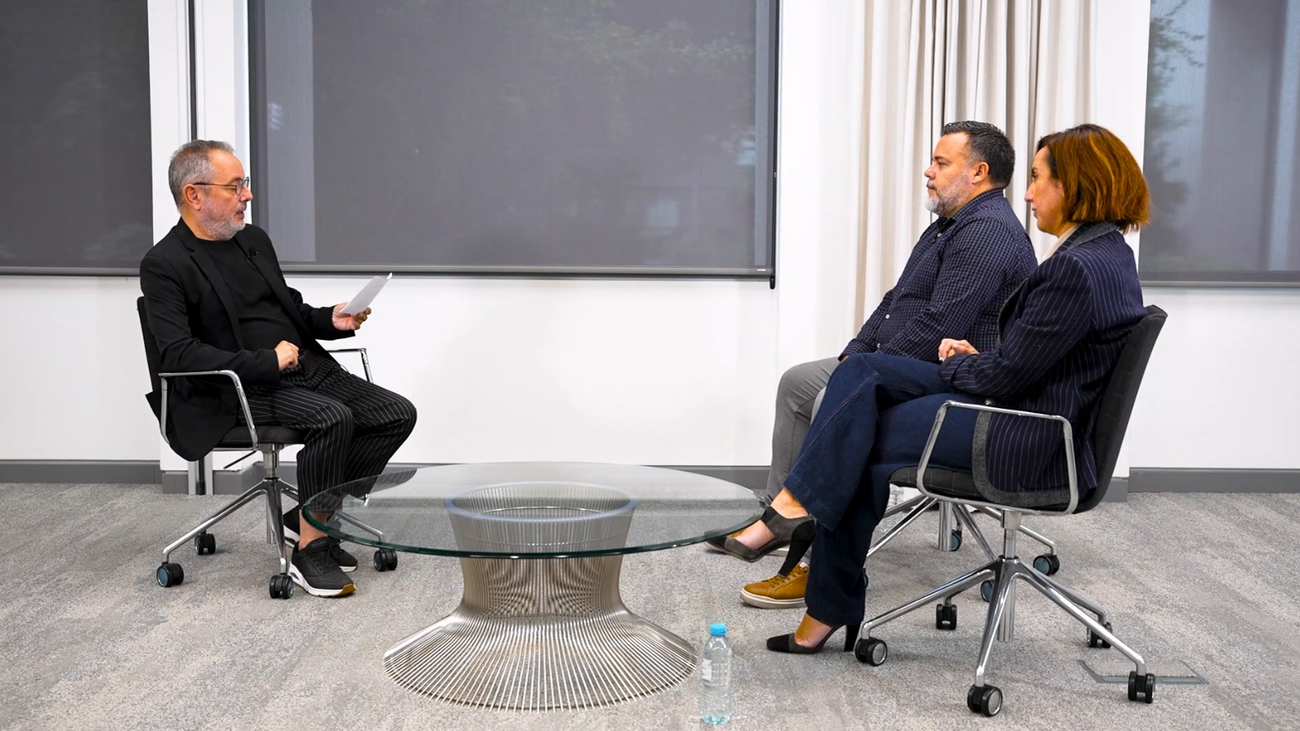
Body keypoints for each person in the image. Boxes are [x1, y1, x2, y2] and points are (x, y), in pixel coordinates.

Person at [762, 123, 1150, 654]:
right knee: (863, 382)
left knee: (861, 432)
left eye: (1038, 179)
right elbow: (1029, 360)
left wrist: (959, 366)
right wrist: (978, 360)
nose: (1028, 193)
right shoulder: (1108, 255)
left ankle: (819, 587)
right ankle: (810, 561)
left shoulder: (1074, 269)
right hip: (1038, 421)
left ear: (1075, 185)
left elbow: (1005, 376)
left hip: (1021, 438)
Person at [709, 121, 1037, 607]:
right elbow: (895, 301)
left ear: (978, 172)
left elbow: (940, 325)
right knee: (798, 384)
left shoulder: (988, 232)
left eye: (941, 162)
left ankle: (812, 558)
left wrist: (863, 371)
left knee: (832, 397)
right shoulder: (949, 225)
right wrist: (855, 353)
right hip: (900, 360)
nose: (928, 171)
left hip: (953, 377)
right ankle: (781, 516)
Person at [140, 140, 417, 598]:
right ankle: (311, 548)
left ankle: (308, 516)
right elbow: (178, 354)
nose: (247, 195)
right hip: (238, 388)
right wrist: (266, 361)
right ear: (194, 195)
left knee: (395, 413)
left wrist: (329, 319)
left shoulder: (252, 241)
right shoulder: (164, 264)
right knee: (333, 419)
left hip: (305, 367)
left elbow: (287, 308)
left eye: (244, 184)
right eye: (235, 186)